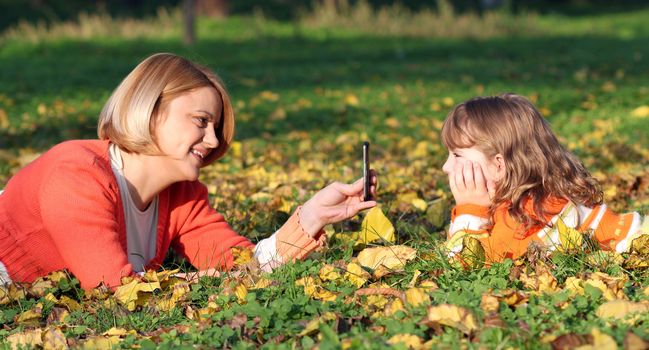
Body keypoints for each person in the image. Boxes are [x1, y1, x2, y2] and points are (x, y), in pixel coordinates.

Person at [0, 53, 377, 289]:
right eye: (201, 120)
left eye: (215, 127)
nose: (212, 141)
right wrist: (222, 280)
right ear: (150, 110)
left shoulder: (180, 195)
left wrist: (310, 217)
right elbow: (112, 289)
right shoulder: (75, 175)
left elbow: (241, 263)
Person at [440, 93, 647, 263]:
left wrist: (470, 210)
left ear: (499, 165)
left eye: (457, 155)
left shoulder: (528, 213)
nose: (446, 167)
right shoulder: (522, 199)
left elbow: (466, 263)